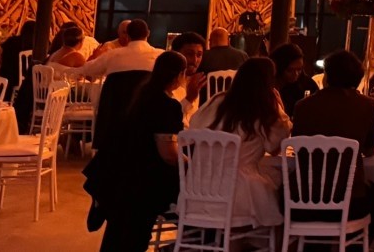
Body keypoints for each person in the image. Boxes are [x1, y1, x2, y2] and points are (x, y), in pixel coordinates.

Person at [89, 50, 187, 252]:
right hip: (145, 180)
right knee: (194, 194)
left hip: (123, 172)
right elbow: (168, 155)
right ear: (179, 76)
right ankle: (189, 243)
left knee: (119, 235)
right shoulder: (167, 105)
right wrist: (192, 162)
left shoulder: (142, 94)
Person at [291, 51, 374, 238]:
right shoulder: (368, 106)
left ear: (327, 76)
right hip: (350, 203)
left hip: (301, 202)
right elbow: (369, 150)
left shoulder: (303, 106)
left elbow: (296, 149)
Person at [189, 57, 290, 228]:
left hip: (199, 189)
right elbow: (274, 148)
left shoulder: (217, 101)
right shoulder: (264, 109)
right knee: (282, 189)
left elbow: (193, 129)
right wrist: (280, 108)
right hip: (239, 192)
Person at [67, 18, 160, 78]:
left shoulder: (112, 55)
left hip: (116, 105)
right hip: (147, 107)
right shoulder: (160, 57)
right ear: (148, 33)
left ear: (128, 36)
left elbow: (87, 70)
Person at [271, 42, 318, 114]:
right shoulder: (270, 86)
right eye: (289, 70)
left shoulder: (308, 85)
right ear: (279, 68)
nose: (296, 74)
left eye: (299, 69)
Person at [170, 31, 206, 120]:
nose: (195, 60)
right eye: (189, 54)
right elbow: (167, 119)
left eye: (199, 55)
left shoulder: (194, 82)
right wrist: (189, 99)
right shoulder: (167, 83)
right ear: (175, 54)